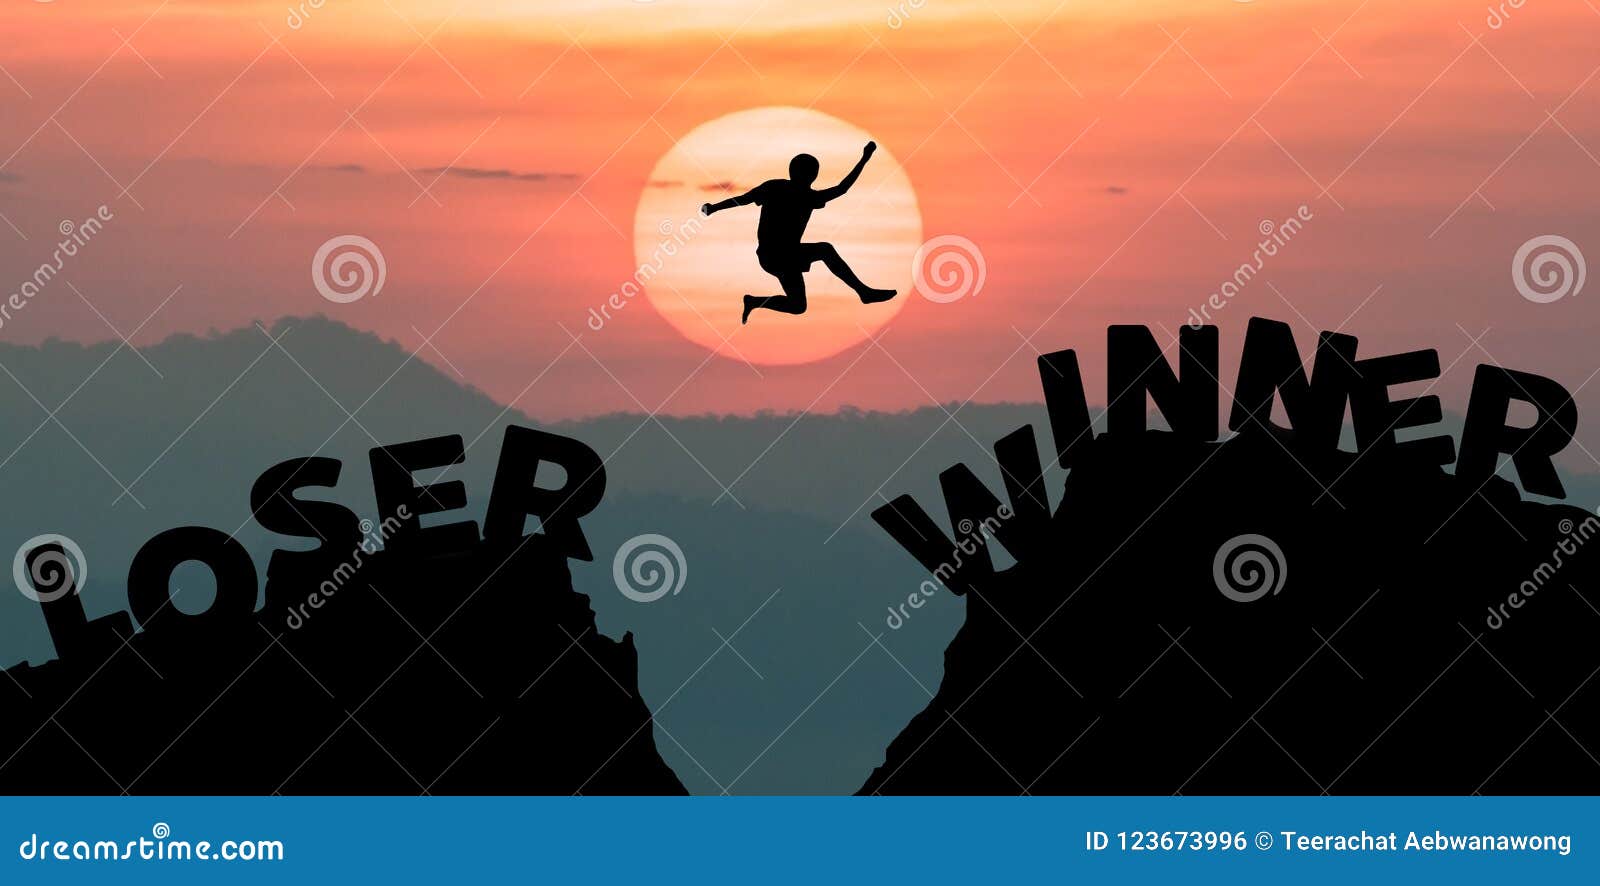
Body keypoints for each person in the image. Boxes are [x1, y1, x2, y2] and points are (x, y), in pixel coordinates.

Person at [701, 142, 897, 324]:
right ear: (810, 175)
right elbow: (743, 199)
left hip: (783, 257)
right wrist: (864, 159)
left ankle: (754, 302)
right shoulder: (782, 189)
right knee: (825, 250)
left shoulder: (797, 193)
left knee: (798, 306)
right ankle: (863, 292)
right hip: (776, 255)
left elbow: (841, 189)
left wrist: (714, 208)